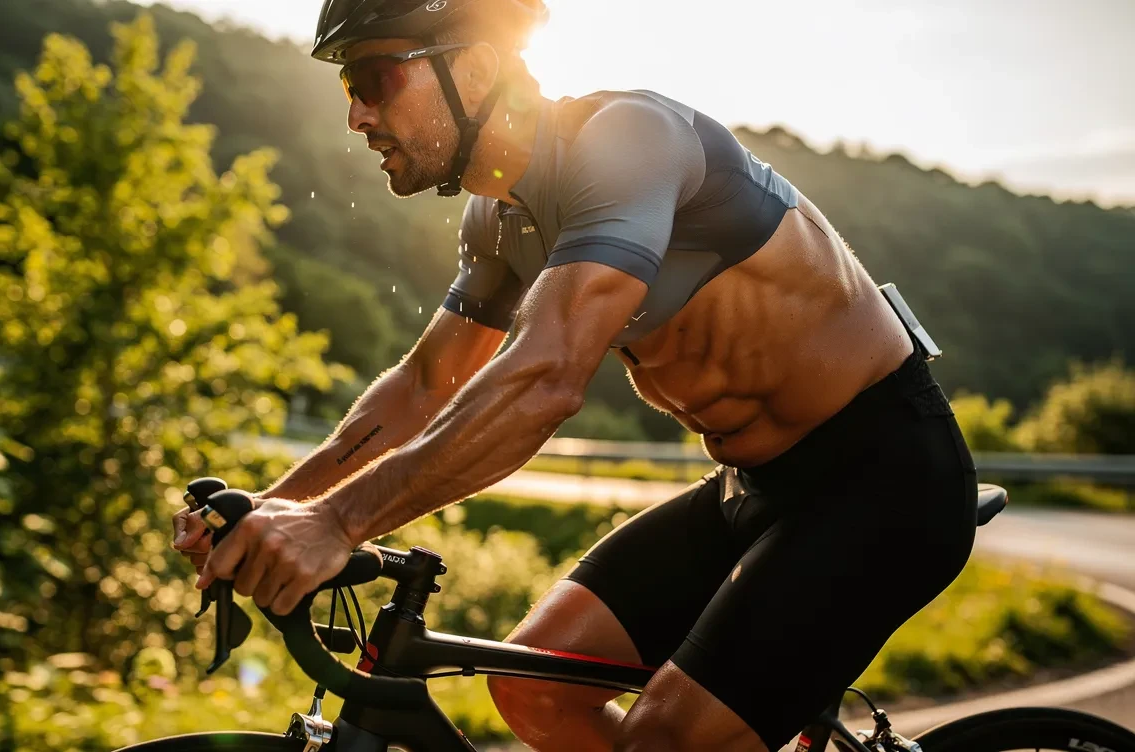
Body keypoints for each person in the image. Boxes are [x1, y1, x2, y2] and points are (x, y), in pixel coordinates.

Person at [171, 1, 978, 749]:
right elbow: (424, 386)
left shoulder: (626, 142)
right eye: (350, 88)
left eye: (374, 79)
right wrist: (278, 507)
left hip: (882, 476)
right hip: (751, 488)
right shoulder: (498, 217)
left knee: (665, 741)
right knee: (532, 688)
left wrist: (337, 522)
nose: (356, 115)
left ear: (475, 69)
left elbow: (546, 377)